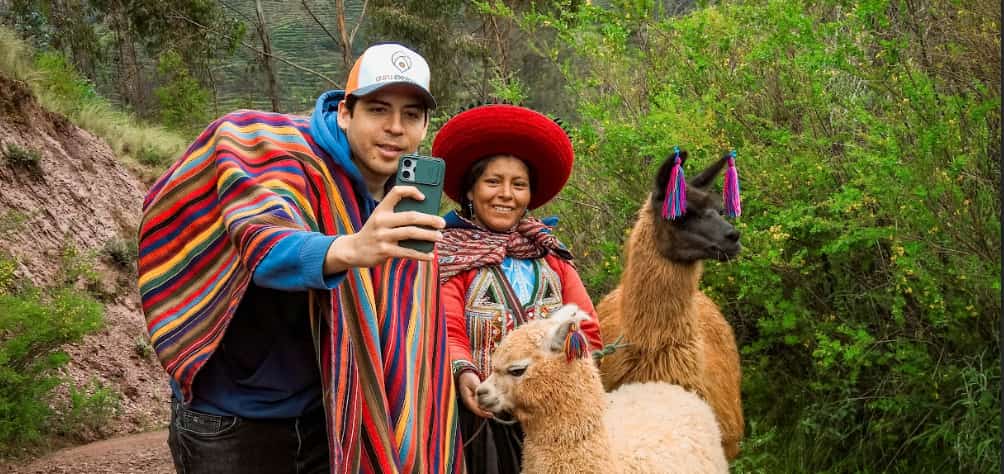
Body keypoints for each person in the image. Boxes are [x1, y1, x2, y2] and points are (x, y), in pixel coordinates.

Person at [137, 43, 462, 474]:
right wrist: (349, 248)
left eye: (412, 115)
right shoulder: (277, 154)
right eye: (379, 109)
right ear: (346, 112)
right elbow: (264, 244)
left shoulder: (400, 198)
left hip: (326, 415)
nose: (395, 128)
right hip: (234, 421)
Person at [431, 103, 603, 473]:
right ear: (470, 191)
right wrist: (465, 375)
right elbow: (448, 328)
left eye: (518, 184)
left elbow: (586, 329)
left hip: (551, 422)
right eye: (493, 182)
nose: (506, 194)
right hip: (480, 420)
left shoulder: (551, 257)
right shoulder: (449, 256)